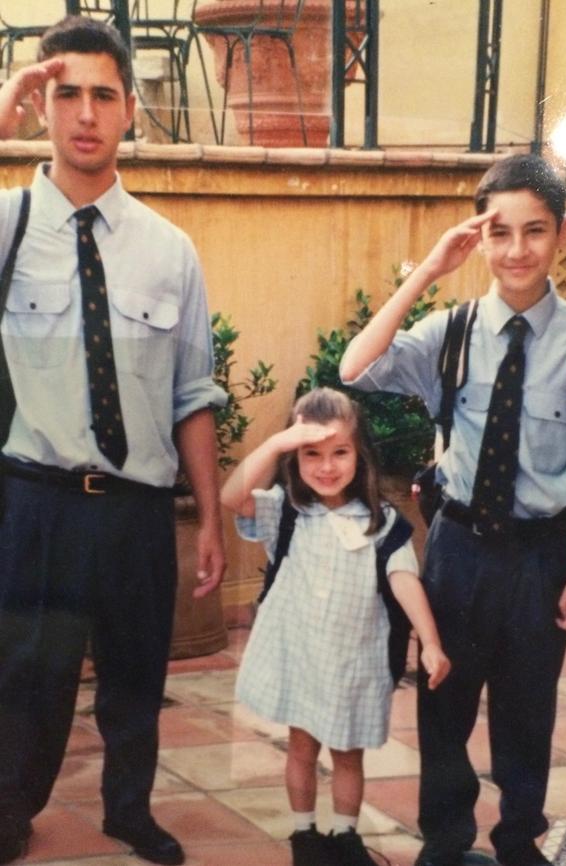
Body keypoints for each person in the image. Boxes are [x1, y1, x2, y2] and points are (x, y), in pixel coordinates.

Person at [339, 153, 566, 866]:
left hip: (542, 554)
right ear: (480, 238)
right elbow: (357, 368)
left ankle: (518, 838)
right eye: (500, 232)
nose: (517, 249)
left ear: (560, 233)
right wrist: (428, 272)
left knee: (529, 709)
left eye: (535, 231)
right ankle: (446, 838)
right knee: (445, 703)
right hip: (461, 550)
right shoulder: (452, 332)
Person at [0, 16, 226, 866]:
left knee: (136, 674)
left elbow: (192, 393)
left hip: (134, 506)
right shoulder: (10, 226)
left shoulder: (170, 251)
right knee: (27, 677)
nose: (84, 114)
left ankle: (130, 809)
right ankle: (9, 809)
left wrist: (207, 516)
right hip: (38, 501)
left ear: (130, 109)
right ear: (43, 107)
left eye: (103, 95)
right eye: (66, 95)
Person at [220, 386, 450, 866]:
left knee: (348, 754)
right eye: (311, 454)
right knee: (302, 748)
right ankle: (304, 834)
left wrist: (430, 641)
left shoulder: (382, 523)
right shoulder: (285, 512)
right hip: (302, 656)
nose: (327, 466)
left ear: (360, 455)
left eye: (339, 452)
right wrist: (278, 443)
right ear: (294, 456)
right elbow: (231, 495)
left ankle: (345, 836)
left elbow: (404, 579)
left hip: (354, 662)